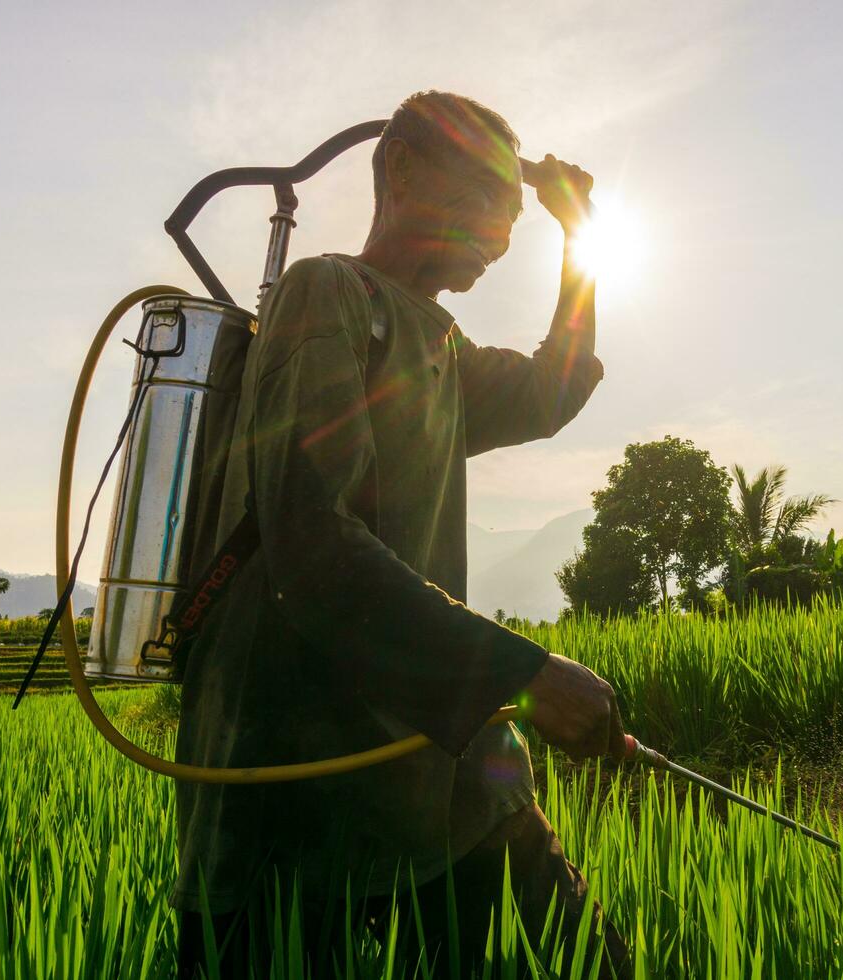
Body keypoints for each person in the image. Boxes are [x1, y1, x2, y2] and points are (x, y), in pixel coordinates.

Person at [172, 90, 632, 979]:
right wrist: (526, 671)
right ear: (401, 169)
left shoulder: (442, 349)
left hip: (428, 758)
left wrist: (580, 246)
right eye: (481, 198)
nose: (500, 231)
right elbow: (314, 546)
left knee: (580, 957)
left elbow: (551, 391)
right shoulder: (327, 294)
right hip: (294, 775)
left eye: (510, 214)